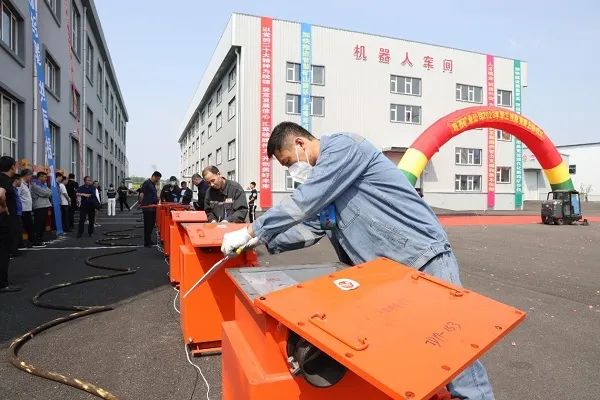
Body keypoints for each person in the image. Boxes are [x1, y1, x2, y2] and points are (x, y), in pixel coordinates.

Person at [221, 122, 495, 399]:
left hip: (422, 257)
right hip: (391, 275)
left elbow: (303, 203)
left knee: (452, 346)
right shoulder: (330, 185)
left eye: (289, 162)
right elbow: (311, 229)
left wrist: (252, 230)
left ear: (300, 143)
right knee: (416, 347)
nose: (293, 170)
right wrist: (261, 242)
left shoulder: (344, 148)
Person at [0, 156, 21, 292]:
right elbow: (1, 194)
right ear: (12, 166)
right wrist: (5, 207)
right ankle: (3, 284)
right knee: (3, 252)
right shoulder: (6, 180)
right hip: (5, 222)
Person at [139, 171, 161, 247]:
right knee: (147, 226)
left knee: (151, 225)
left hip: (153, 208)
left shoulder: (153, 184)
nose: (158, 180)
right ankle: (146, 242)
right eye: (157, 179)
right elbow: (141, 194)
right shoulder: (146, 183)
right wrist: (140, 203)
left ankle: (149, 240)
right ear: (153, 176)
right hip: (147, 208)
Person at [30, 171, 52, 247]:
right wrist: (46, 193)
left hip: (44, 206)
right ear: (40, 177)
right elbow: (45, 193)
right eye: (44, 177)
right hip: (39, 207)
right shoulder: (34, 185)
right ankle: (36, 240)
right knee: (38, 224)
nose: (46, 179)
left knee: (42, 224)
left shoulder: (43, 185)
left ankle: (40, 238)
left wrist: (46, 192)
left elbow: (50, 192)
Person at [17, 169, 33, 247]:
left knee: (28, 226)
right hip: (23, 209)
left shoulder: (26, 184)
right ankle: (25, 242)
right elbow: (17, 196)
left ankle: (29, 241)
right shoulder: (20, 183)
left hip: (27, 208)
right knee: (25, 226)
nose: (31, 177)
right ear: (26, 175)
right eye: (30, 175)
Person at [10, 175, 24, 256]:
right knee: (15, 232)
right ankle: (12, 251)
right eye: (20, 180)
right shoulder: (11, 189)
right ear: (16, 180)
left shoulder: (15, 189)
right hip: (14, 214)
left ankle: (14, 249)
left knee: (18, 231)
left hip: (18, 213)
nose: (21, 182)